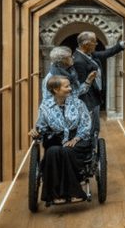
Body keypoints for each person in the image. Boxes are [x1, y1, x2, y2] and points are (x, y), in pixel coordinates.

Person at [29, 75, 92, 205]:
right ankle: (55, 195)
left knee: (67, 151)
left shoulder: (78, 103)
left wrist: (77, 137)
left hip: (79, 138)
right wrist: (36, 132)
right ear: (56, 90)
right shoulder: (45, 106)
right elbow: (42, 127)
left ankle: (74, 192)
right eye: (66, 86)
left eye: (69, 85)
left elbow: (86, 123)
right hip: (57, 139)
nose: (70, 89)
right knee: (53, 152)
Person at [72, 32, 125, 134]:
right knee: (92, 127)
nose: (96, 44)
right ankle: (91, 146)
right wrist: (89, 107)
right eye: (94, 42)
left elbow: (106, 53)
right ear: (86, 44)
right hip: (89, 101)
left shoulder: (89, 54)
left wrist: (122, 44)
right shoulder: (78, 61)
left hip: (95, 96)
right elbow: (81, 87)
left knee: (95, 126)